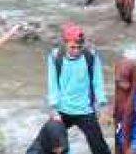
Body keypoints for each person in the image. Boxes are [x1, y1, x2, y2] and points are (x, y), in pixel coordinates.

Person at [47, 24, 110, 154]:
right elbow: (52, 84)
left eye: (79, 47)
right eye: (72, 47)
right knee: (48, 143)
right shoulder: (55, 57)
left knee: (100, 148)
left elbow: (97, 81)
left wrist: (103, 105)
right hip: (62, 110)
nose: (76, 50)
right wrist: (53, 108)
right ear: (65, 44)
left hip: (85, 110)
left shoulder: (90, 56)